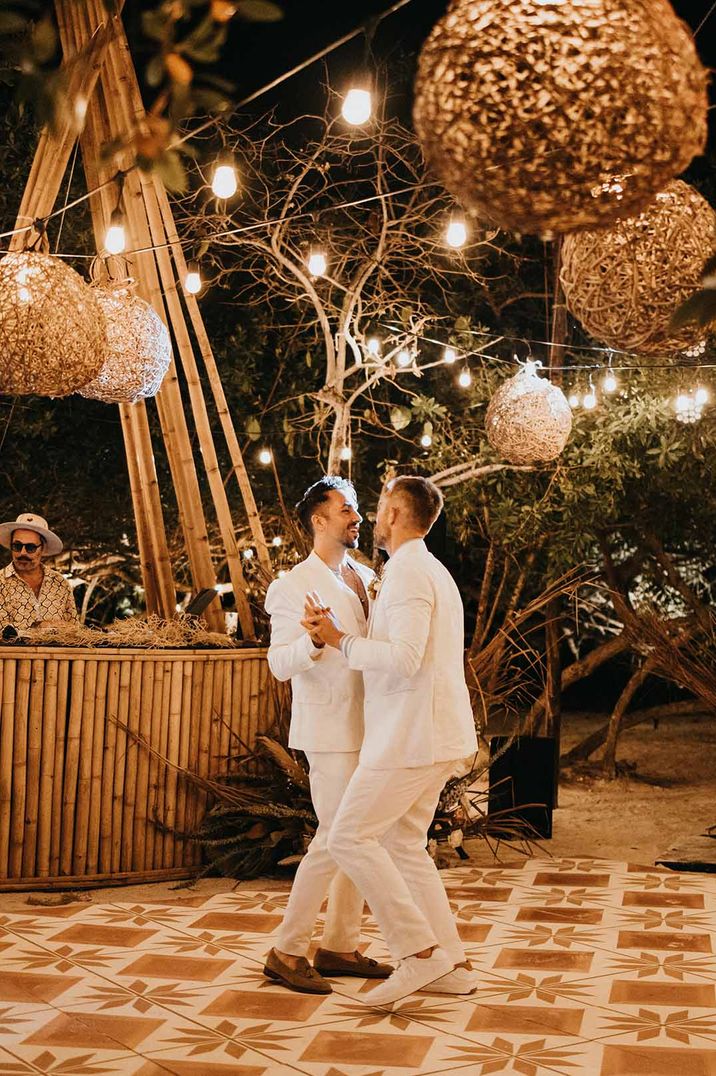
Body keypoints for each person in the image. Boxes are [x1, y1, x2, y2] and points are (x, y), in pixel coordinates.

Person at [302, 475, 478, 1007]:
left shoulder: (407, 573)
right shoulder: (431, 570)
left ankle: (417, 954)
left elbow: (403, 658)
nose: (372, 517)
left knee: (350, 836)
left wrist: (339, 640)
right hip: (431, 732)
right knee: (403, 845)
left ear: (397, 515)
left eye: (378, 507)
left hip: (409, 735)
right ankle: (453, 964)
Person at [263, 476, 392, 994]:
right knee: (336, 839)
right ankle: (286, 949)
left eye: (357, 508)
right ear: (319, 520)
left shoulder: (364, 575)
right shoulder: (291, 585)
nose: (356, 517)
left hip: (373, 726)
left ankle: (339, 943)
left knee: (356, 838)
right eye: (346, 509)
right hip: (330, 729)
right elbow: (277, 664)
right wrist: (315, 644)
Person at [0, 512, 78, 632]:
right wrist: (39, 627)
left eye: (30, 547)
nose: (22, 553)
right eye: (17, 546)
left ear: (42, 548)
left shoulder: (60, 584)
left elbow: (74, 630)